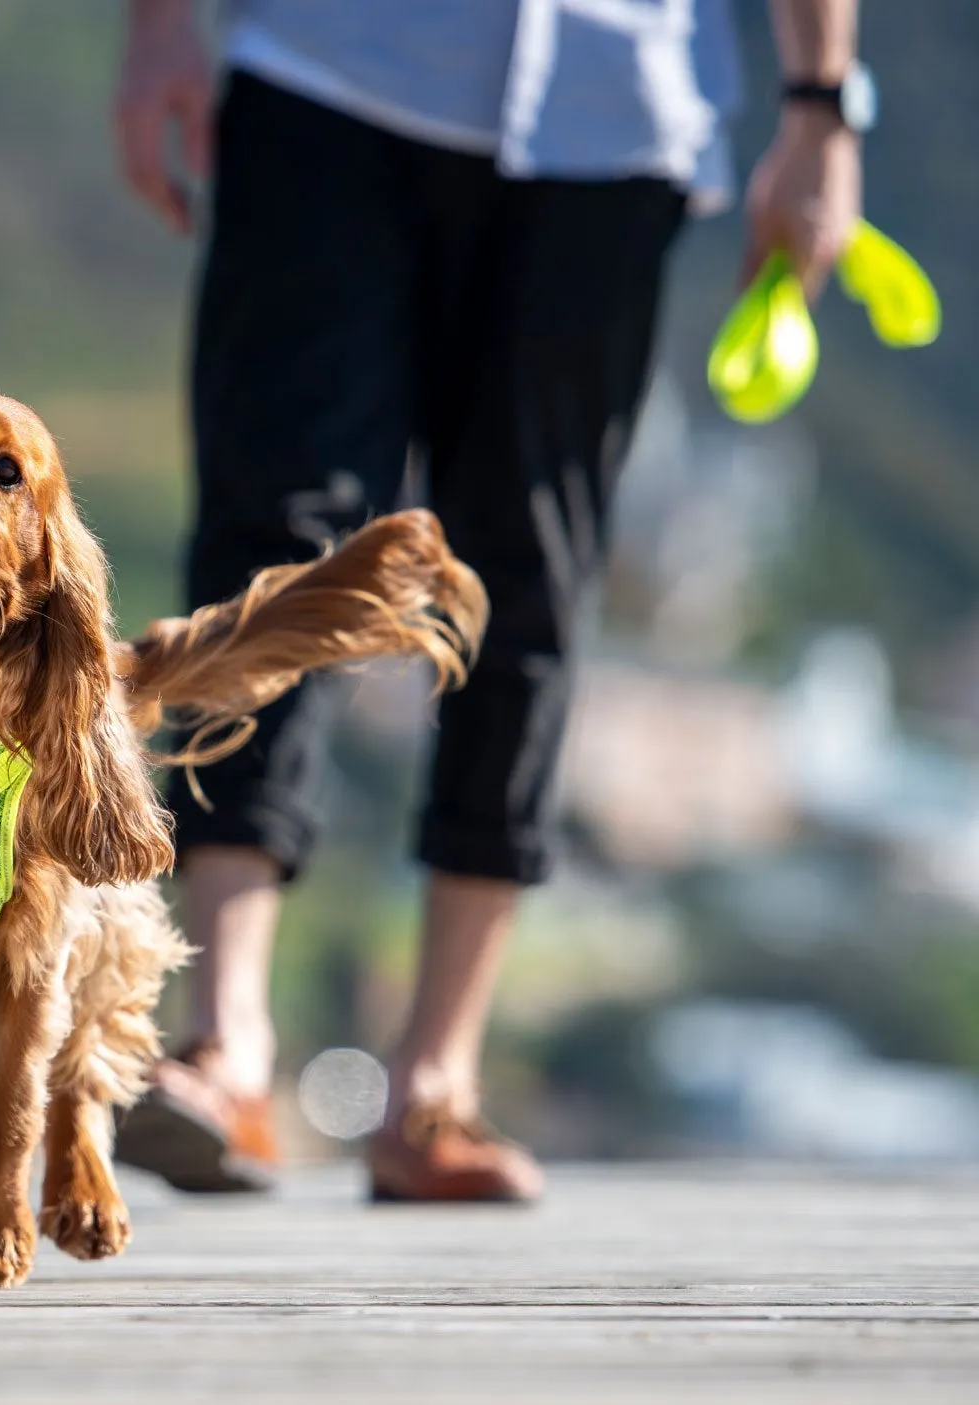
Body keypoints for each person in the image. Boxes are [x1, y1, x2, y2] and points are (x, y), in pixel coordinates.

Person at [111, 0, 866, 1200]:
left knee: (525, 575)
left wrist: (824, 105)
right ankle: (227, 1040)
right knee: (279, 537)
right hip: (332, 65)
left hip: (612, 114)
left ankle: (433, 1085)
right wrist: (159, 23)